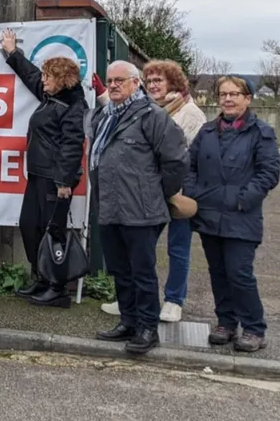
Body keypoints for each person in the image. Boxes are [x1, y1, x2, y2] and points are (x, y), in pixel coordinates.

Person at [90, 61, 188, 355]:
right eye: (110, 80)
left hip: (141, 211)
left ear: (136, 83)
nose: (114, 85)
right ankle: (129, 321)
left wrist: (158, 193)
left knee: (142, 272)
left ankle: (147, 327)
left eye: (120, 80)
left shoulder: (151, 116)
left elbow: (176, 160)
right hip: (110, 208)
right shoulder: (104, 116)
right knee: (120, 270)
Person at [101, 60, 206, 323]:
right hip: (146, 194)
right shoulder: (142, 111)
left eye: (159, 80)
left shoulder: (190, 112)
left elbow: (183, 156)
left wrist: (167, 187)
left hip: (178, 190)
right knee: (142, 251)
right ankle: (132, 301)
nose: (153, 86)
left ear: (173, 83)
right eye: (149, 81)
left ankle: (173, 300)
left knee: (177, 247)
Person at [183, 75, 280, 353]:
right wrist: (194, 194)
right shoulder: (207, 131)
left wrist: (242, 199)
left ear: (247, 99)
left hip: (241, 216)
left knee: (239, 273)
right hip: (209, 213)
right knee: (218, 273)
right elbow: (190, 166)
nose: (227, 99)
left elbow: (269, 173)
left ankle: (254, 328)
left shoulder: (261, 133)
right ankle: (226, 322)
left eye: (234, 94)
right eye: (223, 94)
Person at [0, 28, 88, 308]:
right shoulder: (53, 97)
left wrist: (64, 182)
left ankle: (57, 287)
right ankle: (41, 276)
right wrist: (13, 53)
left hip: (56, 180)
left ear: (61, 80)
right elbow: (30, 77)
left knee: (54, 231)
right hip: (37, 175)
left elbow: (73, 145)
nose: (43, 80)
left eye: (48, 76)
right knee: (30, 226)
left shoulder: (72, 105)